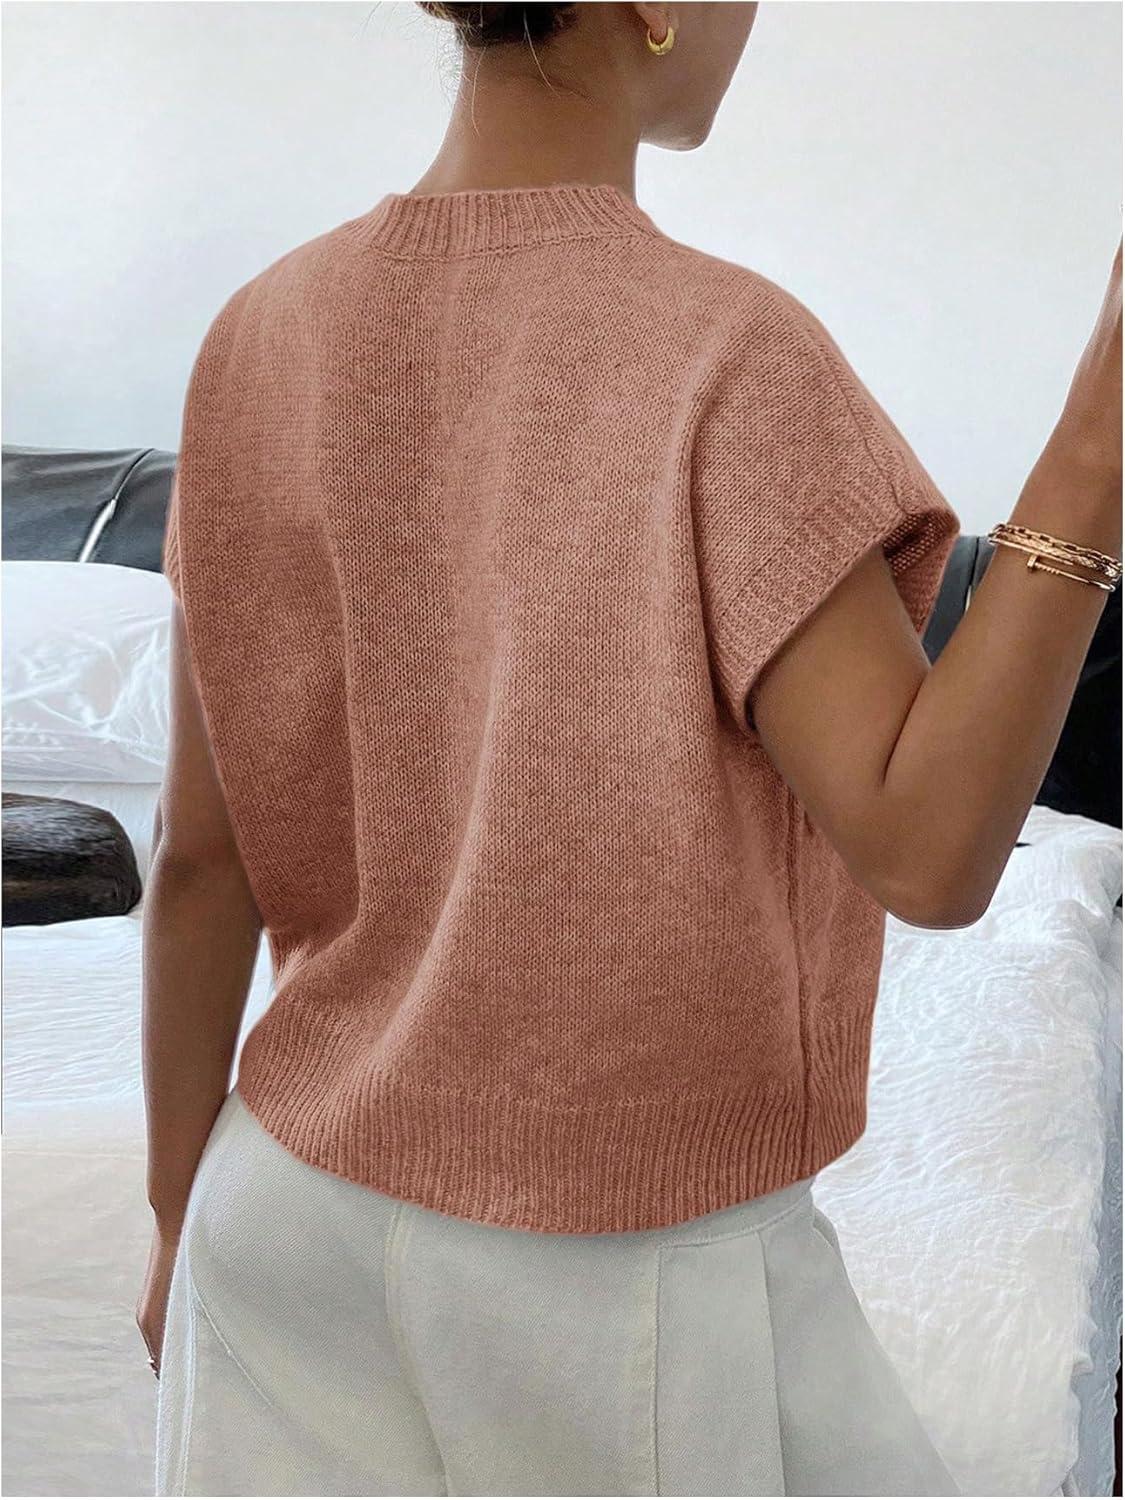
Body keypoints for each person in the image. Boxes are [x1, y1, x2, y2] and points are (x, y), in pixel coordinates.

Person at [138, 2, 1122, 1495]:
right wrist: (1100, 430)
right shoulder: (726, 353)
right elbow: (928, 855)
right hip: (604, 1268)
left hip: (274, 1208)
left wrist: (171, 1216)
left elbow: (202, 861)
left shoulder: (256, 333)